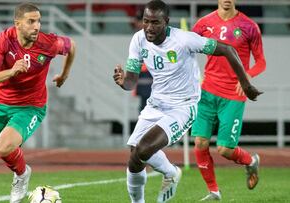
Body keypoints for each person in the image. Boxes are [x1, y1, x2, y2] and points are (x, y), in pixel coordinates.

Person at [112, 0, 262, 203]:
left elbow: (228, 50)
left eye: (155, 22)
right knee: (134, 157)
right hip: (156, 104)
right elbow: (131, 80)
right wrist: (123, 82)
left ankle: (171, 172)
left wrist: (245, 84)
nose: (149, 27)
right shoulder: (138, 40)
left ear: (166, 22)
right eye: (146, 21)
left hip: (182, 107)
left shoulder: (184, 39)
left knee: (144, 149)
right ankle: (149, 191)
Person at [0, 3, 76, 203]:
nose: (37, 26)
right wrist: (11, 71)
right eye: (31, 21)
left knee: (3, 147)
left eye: (39, 21)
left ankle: (22, 173)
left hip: (30, 107)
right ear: (17, 24)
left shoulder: (49, 43)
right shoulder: (3, 40)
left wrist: (64, 74)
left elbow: (72, 46)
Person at [190, 0, 266, 201]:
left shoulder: (249, 26)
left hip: (233, 94)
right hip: (207, 92)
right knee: (199, 142)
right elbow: (185, 50)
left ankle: (250, 161)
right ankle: (214, 191)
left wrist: (246, 77)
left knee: (224, 149)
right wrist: (196, 75)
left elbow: (261, 62)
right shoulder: (203, 23)